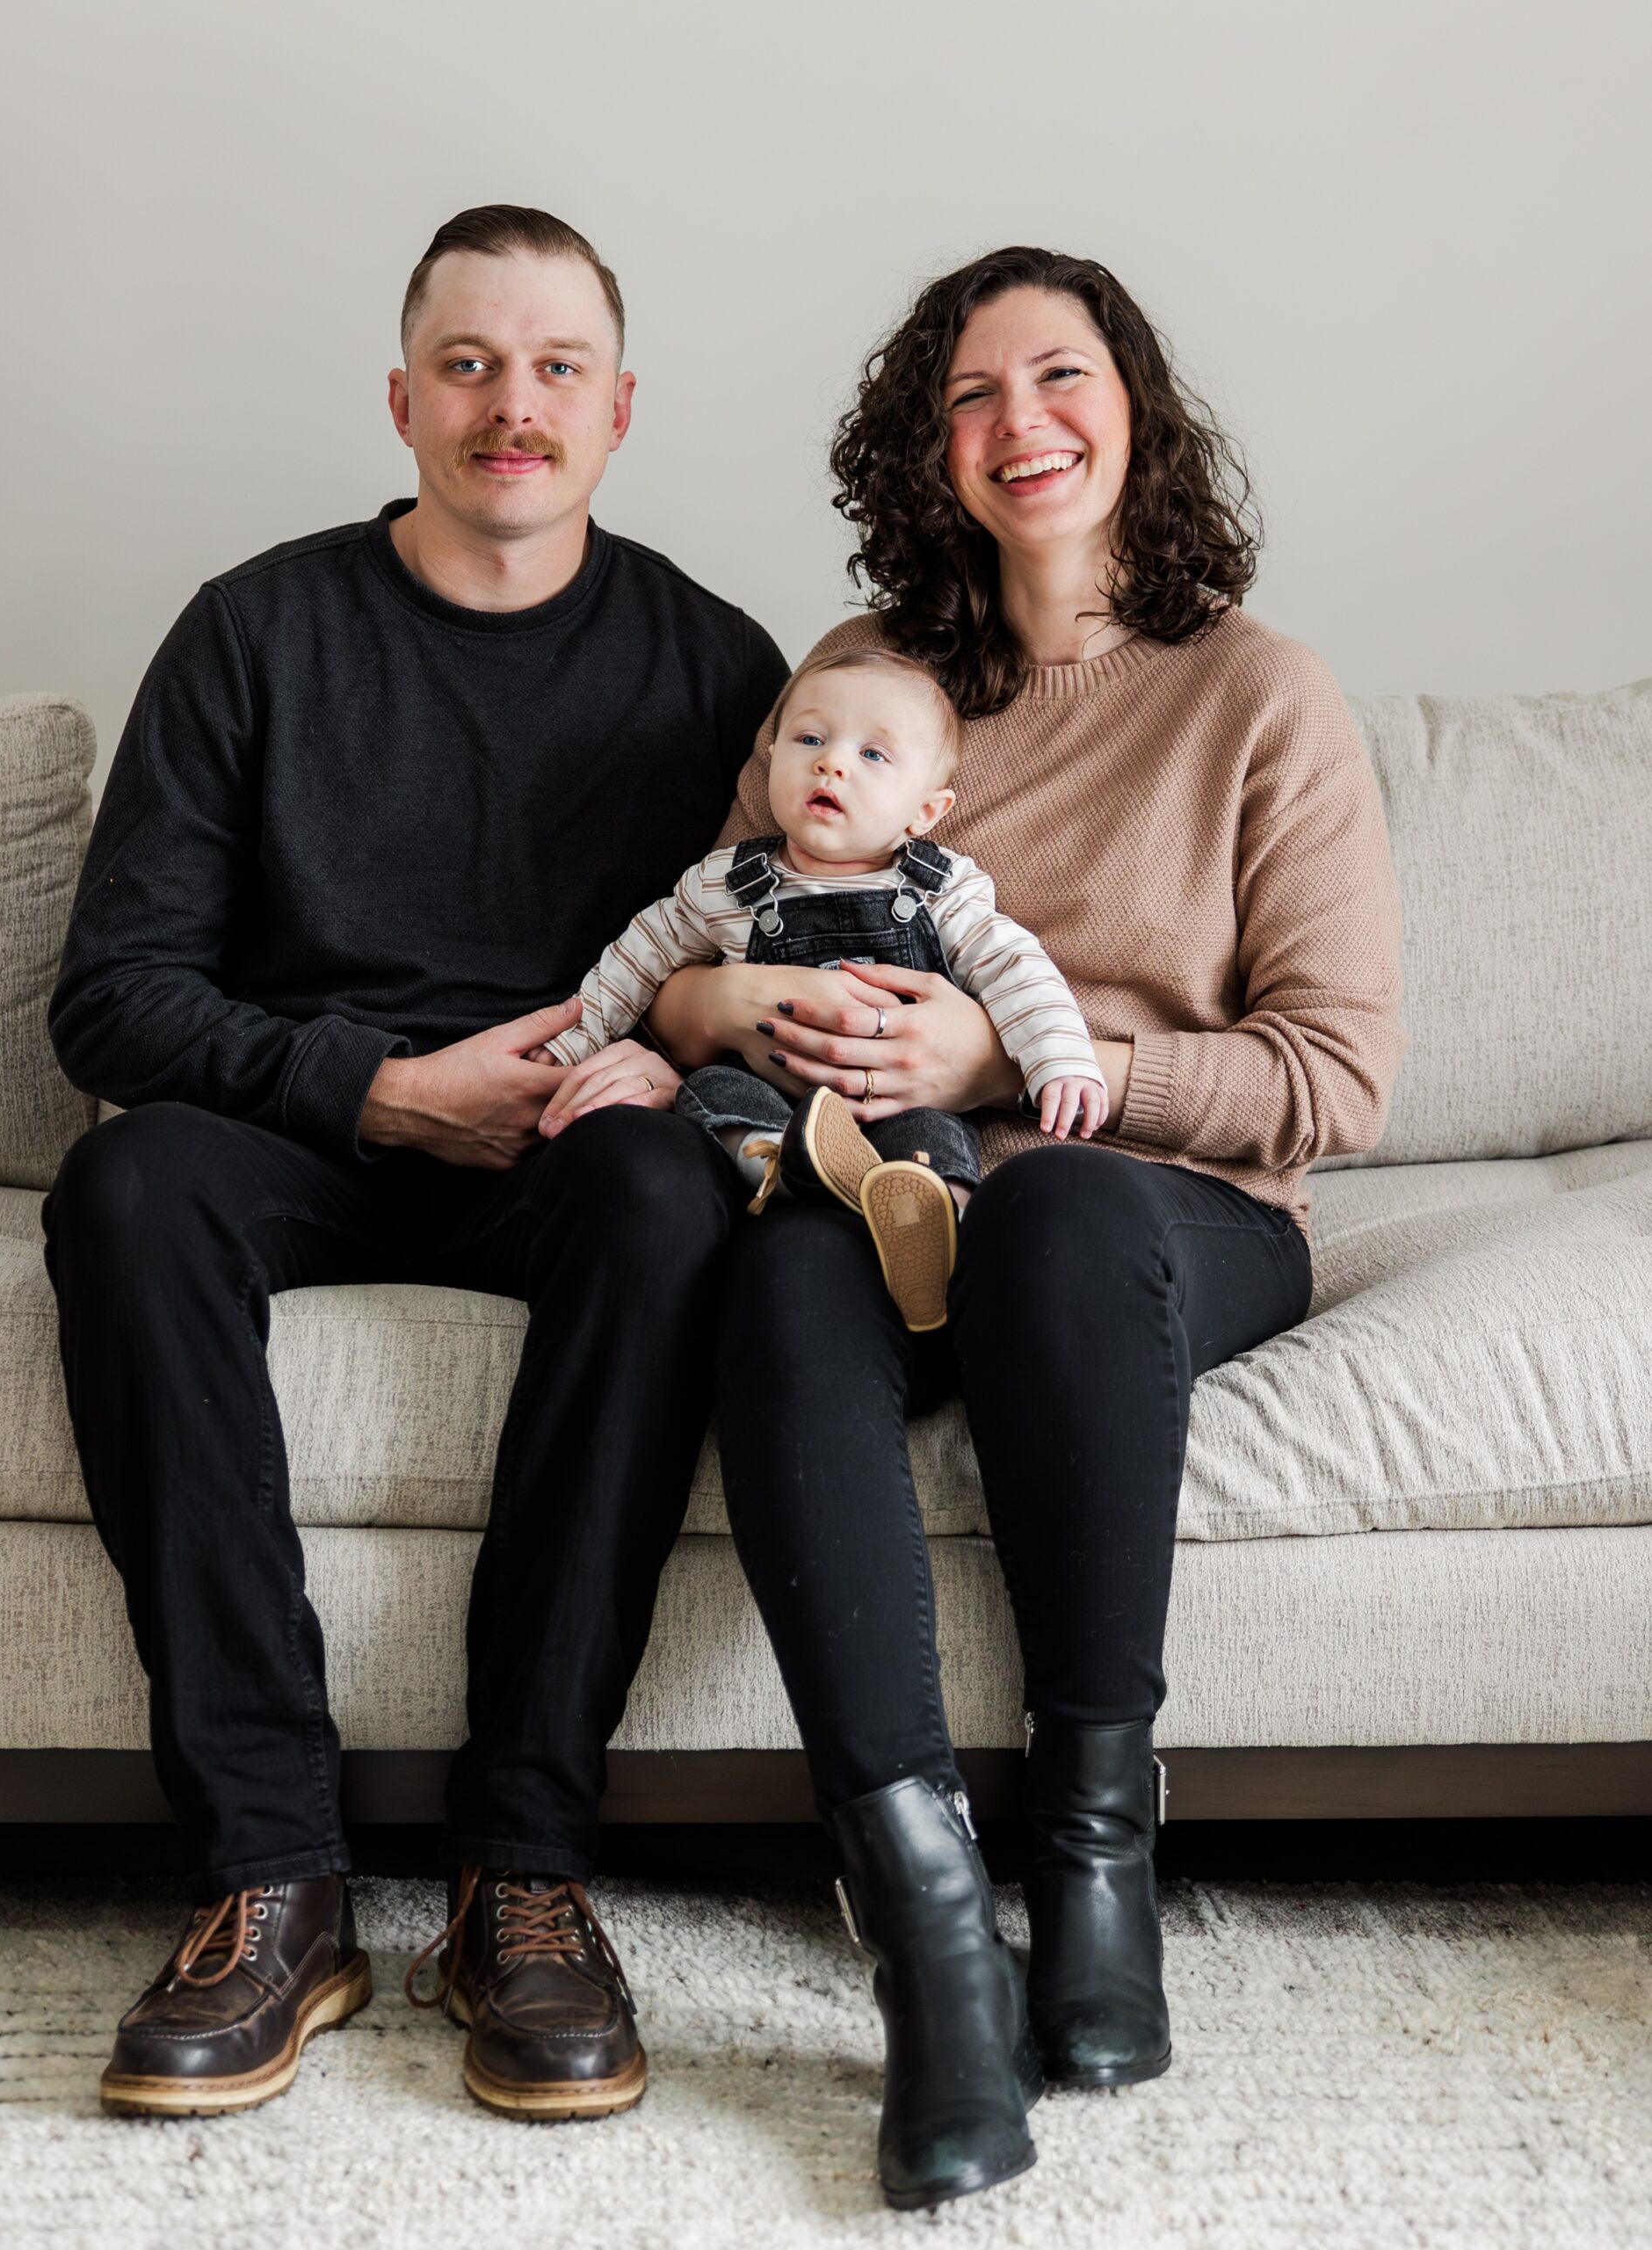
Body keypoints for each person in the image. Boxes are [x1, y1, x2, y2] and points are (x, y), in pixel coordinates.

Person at [641, 246, 1407, 2158]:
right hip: (899, 1194)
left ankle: (1091, 1857)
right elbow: (707, 917)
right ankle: (923, 1932)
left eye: (1057, 378)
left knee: (1058, 1208)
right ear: (932, 448)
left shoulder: (1259, 696)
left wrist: (1015, 1069)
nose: (1019, 425)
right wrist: (724, 1006)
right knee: (781, 1274)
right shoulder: (873, 691)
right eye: (971, 396)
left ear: (1134, 404)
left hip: (1157, 1213)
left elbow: (1336, 1078)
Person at [40, 205, 788, 2124]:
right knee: (123, 1189)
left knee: (668, 1198)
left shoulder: (718, 664)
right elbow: (111, 996)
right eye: (467, 364)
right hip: (307, 1117)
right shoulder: (255, 629)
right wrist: (372, 1084)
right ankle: (271, 1871)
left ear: (622, 409)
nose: (509, 407)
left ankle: (516, 1873)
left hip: (565, 1136)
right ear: (401, 397)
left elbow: (764, 960)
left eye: (553, 369)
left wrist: (655, 1049)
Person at [542, 642, 1107, 1329]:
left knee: (933, 1138)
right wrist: (571, 1043)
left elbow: (1018, 968)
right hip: (773, 1095)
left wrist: (1061, 1059)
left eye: (873, 756)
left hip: (894, 1101)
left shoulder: (939, 891)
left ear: (925, 811)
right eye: (809, 738)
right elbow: (636, 962)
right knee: (711, 1094)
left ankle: (935, 1225)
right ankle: (777, 1166)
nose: (831, 761)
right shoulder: (726, 885)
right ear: (771, 757)